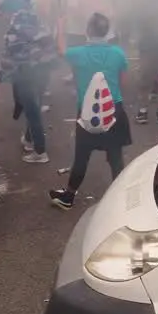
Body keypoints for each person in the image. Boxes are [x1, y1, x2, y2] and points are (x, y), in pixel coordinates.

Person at [49, 13, 130, 211]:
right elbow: (123, 82)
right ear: (107, 31)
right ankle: (121, 200)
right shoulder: (118, 53)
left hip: (88, 111)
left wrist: (60, 26)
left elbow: (60, 50)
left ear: (88, 31)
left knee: (82, 156)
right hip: (113, 109)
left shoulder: (78, 53)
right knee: (115, 156)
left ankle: (68, 196)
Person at [4, 0, 56, 164]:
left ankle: (40, 151)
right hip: (43, 69)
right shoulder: (39, 22)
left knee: (32, 111)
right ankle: (28, 139)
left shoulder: (15, 26)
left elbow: (11, 51)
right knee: (35, 105)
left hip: (26, 71)